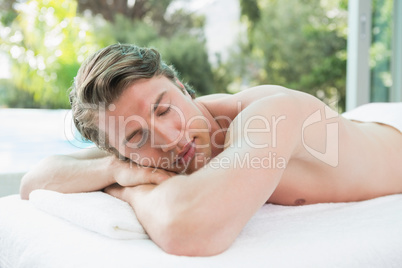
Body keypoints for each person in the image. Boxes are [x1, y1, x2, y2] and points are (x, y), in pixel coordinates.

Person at [20, 44, 402, 256]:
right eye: (136, 138)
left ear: (185, 89)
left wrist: (127, 187)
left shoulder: (269, 116)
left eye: (165, 108)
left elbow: (186, 227)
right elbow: (35, 181)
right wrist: (114, 169)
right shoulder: (138, 155)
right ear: (122, 152)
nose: (168, 138)